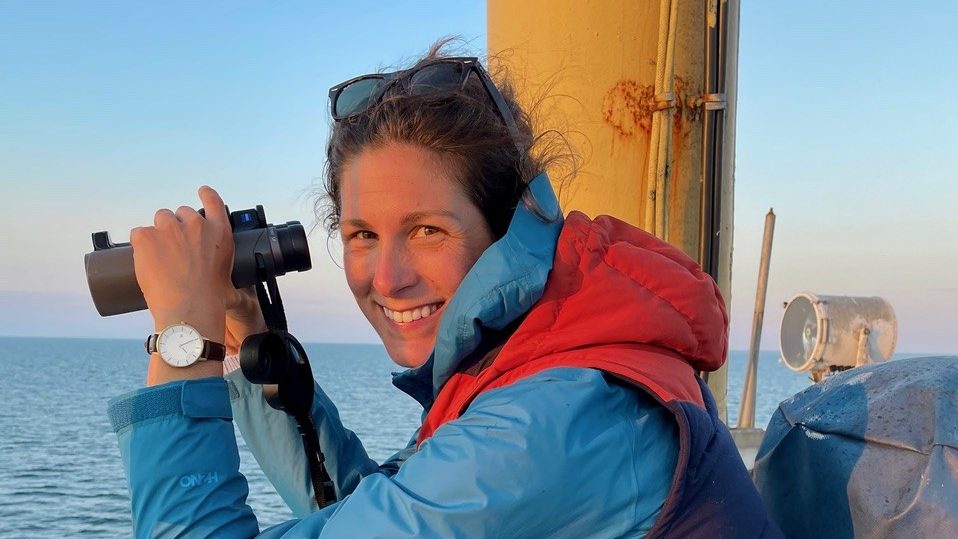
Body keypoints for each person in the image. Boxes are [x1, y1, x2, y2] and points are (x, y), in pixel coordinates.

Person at [109, 45, 781, 538]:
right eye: (363, 235)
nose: (387, 277)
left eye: (427, 230)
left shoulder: (551, 421)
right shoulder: (537, 361)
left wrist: (182, 337)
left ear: (506, 223)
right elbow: (376, 513)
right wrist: (242, 339)